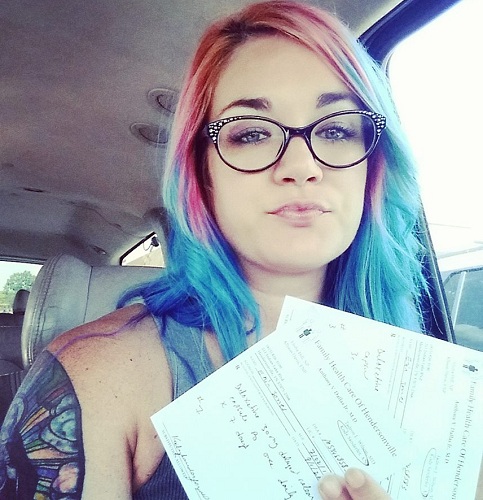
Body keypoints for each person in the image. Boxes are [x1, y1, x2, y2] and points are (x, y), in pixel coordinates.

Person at [0, 1, 468, 498]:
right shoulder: (99, 378)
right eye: (252, 134)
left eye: (336, 129)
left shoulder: (437, 381)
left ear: (373, 166)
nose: (302, 166)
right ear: (202, 174)